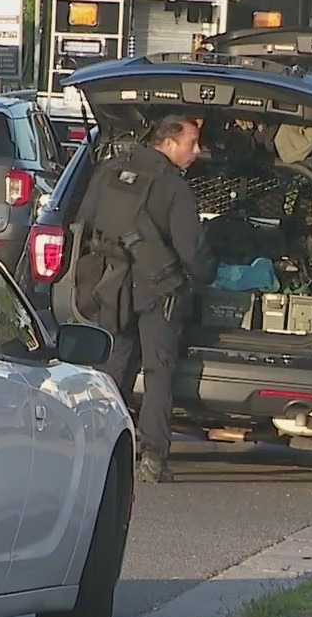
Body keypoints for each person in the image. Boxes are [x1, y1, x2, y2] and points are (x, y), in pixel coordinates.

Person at [73, 114, 215, 483]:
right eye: (191, 144)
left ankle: (99, 447)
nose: (196, 152)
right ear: (168, 144)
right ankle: (152, 456)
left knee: (113, 367)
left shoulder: (109, 171)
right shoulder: (173, 187)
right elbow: (192, 249)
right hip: (157, 291)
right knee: (158, 371)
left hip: (111, 285)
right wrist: (207, 279)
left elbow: (82, 220)